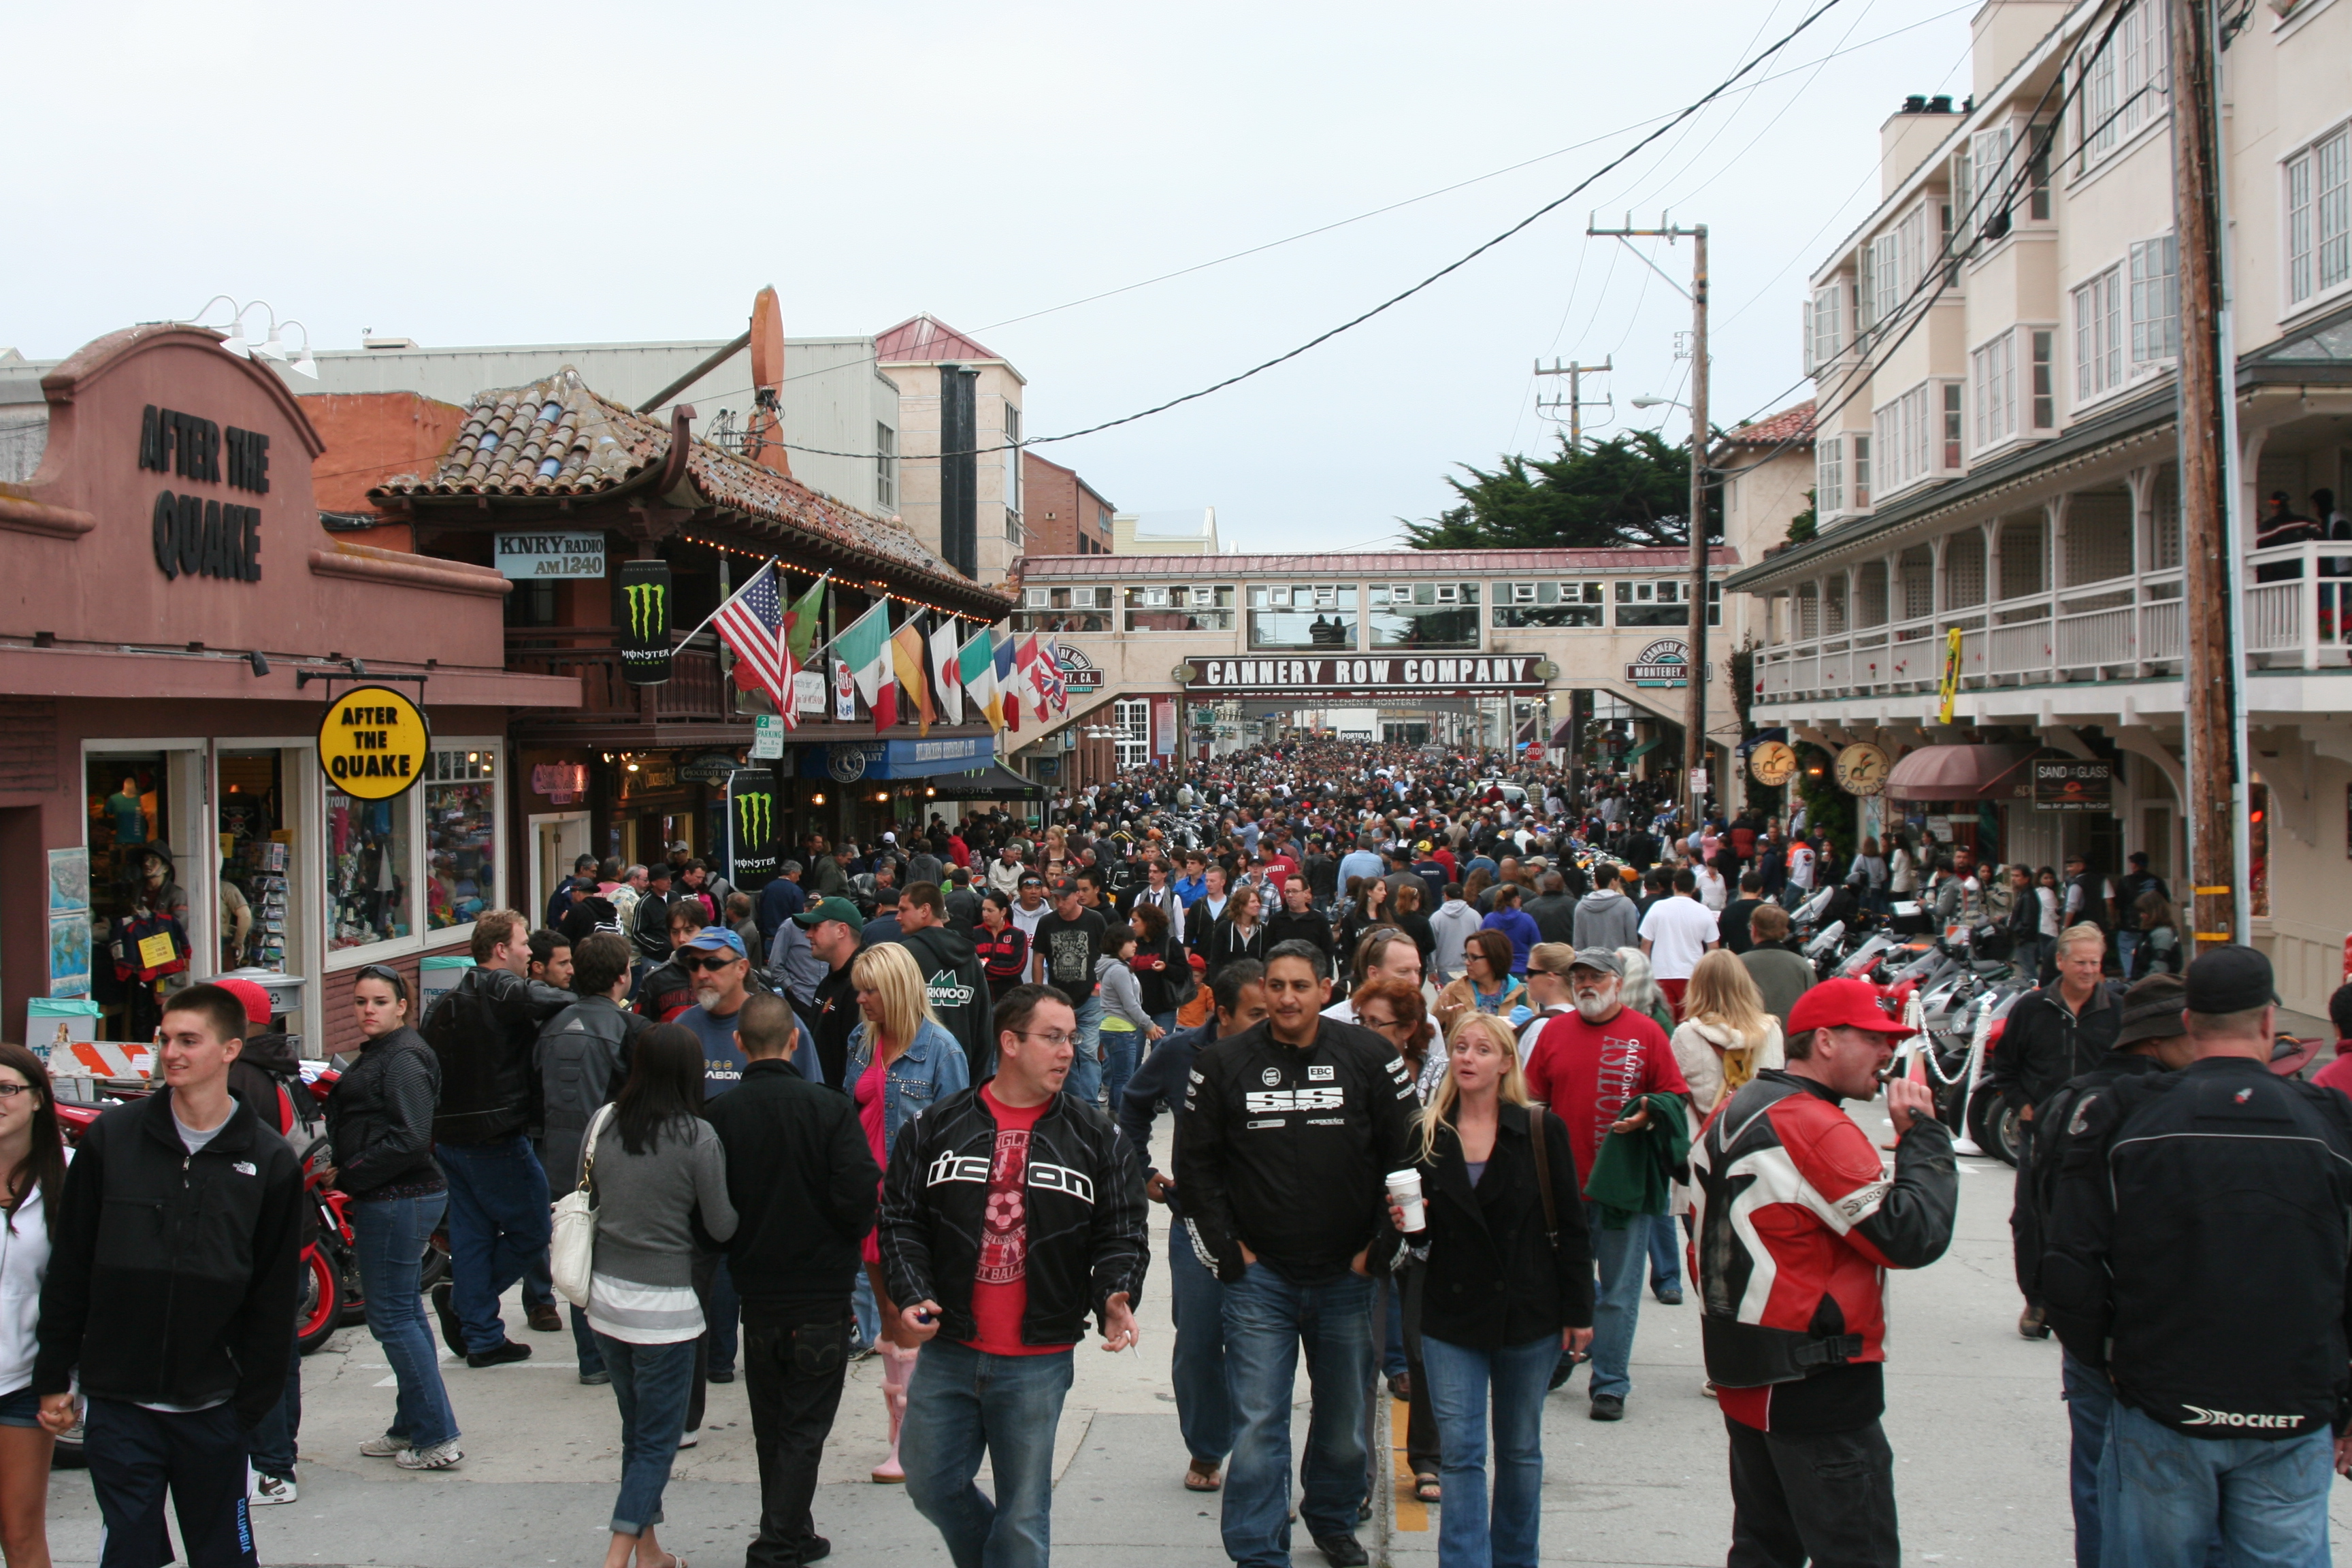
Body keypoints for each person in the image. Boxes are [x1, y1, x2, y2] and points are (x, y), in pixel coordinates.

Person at [2043, 946, 2352, 1568]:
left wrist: (2112, 1363)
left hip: (2163, 1402)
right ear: (2268, 1021)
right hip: (2290, 1409)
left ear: (2188, 1021)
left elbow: (2070, 1265)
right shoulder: (2328, 1126)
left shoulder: (2127, 1117)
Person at [34, 985, 306, 1568]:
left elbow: (275, 1294)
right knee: (129, 1555)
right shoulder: (113, 1139)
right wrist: (56, 1373)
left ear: (230, 1049)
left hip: (214, 1410)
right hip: (119, 1406)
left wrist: (249, 1407)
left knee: (225, 1557)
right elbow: (72, 1264)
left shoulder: (268, 1159)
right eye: (165, 1039)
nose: (172, 1053)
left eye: (189, 1040)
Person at [1689, 977, 1957, 1568]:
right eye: (1875, 1039)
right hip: (1815, 1383)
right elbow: (1912, 1236)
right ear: (1826, 1041)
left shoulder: (1734, 1106)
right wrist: (1925, 1136)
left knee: (1763, 1549)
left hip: (1744, 1370)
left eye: (1893, 1041)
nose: (1888, 1053)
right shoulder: (1816, 1124)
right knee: (1857, 1553)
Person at [883, 983, 1147, 1568]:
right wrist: (912, 1292)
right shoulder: (935, 1126)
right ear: (1009, 1042)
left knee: (1024, 1515)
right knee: (931, 1484)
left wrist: (1114, 1292)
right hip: (950, 1347)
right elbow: (900, 1219)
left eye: (1071, 1039)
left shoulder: (1097, 1136)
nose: (1068, 1052)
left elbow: (1123, 1229)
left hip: (1038, 1357)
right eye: (1053, 1038)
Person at [1179, 941, 1419, 1568]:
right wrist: (1229, 1252)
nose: (1287, 998)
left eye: (1300, 986)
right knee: (1259, 1422)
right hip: (1261, 1280)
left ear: (1326, 990)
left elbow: (1409, 1153)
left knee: (1343, 1422)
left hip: (1347, 1275)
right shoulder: (1222, 1062)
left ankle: (1334, 1520)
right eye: (1277, 986)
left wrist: (1381, 1248)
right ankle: (1258, 1549)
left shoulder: (1370, 1056)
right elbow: (1196, 1166)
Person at [1385, 1013, 1593, 1568]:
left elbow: (1572, 1227)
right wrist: (1408, 1223)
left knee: (1521, 1451)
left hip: (1529, 1312)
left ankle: (1516, 1559)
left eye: (1482, 1049)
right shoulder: (1427, 1132)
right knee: (1461, 1454)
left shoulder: (1541, 1130)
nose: (1468, 1057)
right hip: (1451, 1315)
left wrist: (1580, 1311)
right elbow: (1418, 1237)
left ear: (1505, 1063)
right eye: (1460, 1047)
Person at [2010, 974, 2196, 1568]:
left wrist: (2047, 1303)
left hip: (2089, 1328)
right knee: (2174, 1496)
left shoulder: (2072, 1101)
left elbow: (2032, 1216)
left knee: (2096, 1478)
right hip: (2161, 1335)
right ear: (2160, 1039)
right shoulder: (2171, 1106)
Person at [701, 992, 880, 1568]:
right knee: (804, 1424)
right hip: (821, 1294)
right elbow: (860, 1193)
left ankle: (791, 1531)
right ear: (795, 1039)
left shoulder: (720, 1116)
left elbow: (708, 1212)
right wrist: (841, 1238)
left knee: (773, 1424)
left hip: (757, 1292)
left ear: (738, 1043)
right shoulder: (829, 1109)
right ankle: (779, 1542)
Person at [578, 1024, 738, 1568]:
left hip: (605, 1302)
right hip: (666, 1311)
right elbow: (721, 1225)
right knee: (656, 1443)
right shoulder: (698, 1137)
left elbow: (586, 1192)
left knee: (636, 1432)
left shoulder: (604, 1122)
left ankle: (650, 1554)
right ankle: (617, 1556)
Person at [1520, 949, 1690, 1420]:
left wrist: (1648, 1112)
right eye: (1579, 977)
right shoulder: (1554, 1032)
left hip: (1622, 1187)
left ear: (1618, 983)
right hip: (1563, 1187)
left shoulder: (1647, 1032)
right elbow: (1532, 1099)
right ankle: (1562, 1355)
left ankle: (1610, 1384)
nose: (1586, 985)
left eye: (1596, 977)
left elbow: (1674, 1095)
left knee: (1617, 1291)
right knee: (1560, 1284)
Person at [1121, 961, 1269, 1494]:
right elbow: (1132, 1106)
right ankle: (1207, 1446)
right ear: (1222, 1013)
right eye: (1256, 1013)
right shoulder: (1180, 1052)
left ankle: (1260, 1467)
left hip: (1272, 1226)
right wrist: (1142, 1170)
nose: (1270, 1022)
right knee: (1200, 1342)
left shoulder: (1286, 1054)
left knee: (1262, 1348)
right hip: (1198, 1224)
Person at [325, 966, 468, 1477]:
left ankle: (437, 1436)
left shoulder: (403, 1056)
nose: (368, 1010)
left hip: (397, 1198)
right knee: (404, 1313)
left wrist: (352, 1173)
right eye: (361, 1001)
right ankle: (413, 1425)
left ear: (402, 1006)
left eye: (380, 1002)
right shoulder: (388, 1051)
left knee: (391, 1318)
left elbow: (411, 1137)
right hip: (395, 1195)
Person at [421, 910, 576, 1365]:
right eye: (524, 943)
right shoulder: (500, 987)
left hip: (451, 1139)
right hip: (496, 1137)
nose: (529, 952)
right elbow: (545, 998)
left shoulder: (443, 1003)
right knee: (534, 1230)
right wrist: (590, 1003)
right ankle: (468, 1307)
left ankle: (483, 1337)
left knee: (473, 1237)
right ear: (501, 949)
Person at [845, 943, 973, 1482]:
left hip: (914, 1204)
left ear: (897, 990)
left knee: (911, 1318)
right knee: (888, 1318)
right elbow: (848, 1113)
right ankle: (901, 1431)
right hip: (866, 1198)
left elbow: (961, 1139)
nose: (862, 1000)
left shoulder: (942, 1050)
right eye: (859, 990)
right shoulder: (860, 1041)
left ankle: (915, 1439)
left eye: (870, 990)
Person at [1987, 924, 2119, 1339]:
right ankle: (2037, 1299)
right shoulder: (2031, 1008)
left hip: (2096, 1136)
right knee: (2030, 1219)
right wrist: (2023, 1106)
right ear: (2060, 962)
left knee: (2091, 1219)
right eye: (2080, 962)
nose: (2088, 970)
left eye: (2095, 962)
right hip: (2041, 1134)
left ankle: (2090, 1303)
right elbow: (2005, 1066)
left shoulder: (2117, 1009)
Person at [536, 933, 650, 1386]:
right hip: (611, 1158)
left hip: (558, 1159)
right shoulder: (630, 1029)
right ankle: (614, 1352)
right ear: (622, 977)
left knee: (576, 1248)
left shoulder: (551, 1024)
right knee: (615, 1255)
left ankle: (592, 1359)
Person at [0, 1043, 64, 1568]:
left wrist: (68, 1381)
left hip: (23, 1384)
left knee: (20, 1534)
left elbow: (77, 1291)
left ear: (38, 1098)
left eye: (7, 1089)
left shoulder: (70, 1175)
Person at [883, 883, 991, 1081]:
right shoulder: (971, 958)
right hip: (963, 1076)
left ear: (925, 910)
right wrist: (975, 1084)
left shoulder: (903, 956)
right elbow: (984, 1029)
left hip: (909, 1077)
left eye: (903, 910)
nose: (897, 917)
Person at [1668, 949, 1785, 1117]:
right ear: (1745, 984)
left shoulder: (1686, 1035)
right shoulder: (1772, 1030)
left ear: (1696, 987)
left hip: (1705, 1130)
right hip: (1759, 1128)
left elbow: (1671, 1091)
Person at [1030, 878, 1110, 1107]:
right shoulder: (1047, 922)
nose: (1060, 903)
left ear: (1077, 896)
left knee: (1088, 1052)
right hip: (1059, 1000)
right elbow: (1038, 958)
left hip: (1090, 998)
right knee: (1065, 1053)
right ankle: (1073, 1103)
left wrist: (1099, 987)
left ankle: (1090, 1106)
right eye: (1056, 898)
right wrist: (1040, 993)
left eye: (1064, 898)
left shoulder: (1094, 919)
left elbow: (1108, 953)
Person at [793, 896, 867, 1090]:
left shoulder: (864, 986)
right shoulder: (829, 982)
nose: (808, 935)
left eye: (816, 927)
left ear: (841, 930)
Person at [1638, 869, 1720, 1019]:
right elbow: (1714, 948)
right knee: (1689, 1022)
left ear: (1674, 885)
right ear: (1694, 888)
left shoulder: (1657, 908)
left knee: (1666, 1022)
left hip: (1662, 973)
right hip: (1692, 975)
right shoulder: (1704, 911)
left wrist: (1645, 972)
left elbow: (1646, 943)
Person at [1095, 926, 1161, 1111]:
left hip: (1117, 1028)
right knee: (1124, 1079)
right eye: (1130, 941)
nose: (1135, 945)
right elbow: (1130, 1004)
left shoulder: (1117, 967)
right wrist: (1148, 1024)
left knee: (1119, 1078)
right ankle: (1123, 1119)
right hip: (1120, 1030)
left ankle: (1116, 1117)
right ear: (1118, 943)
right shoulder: (1118, 970)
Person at [1433, 930, 1526, 1042]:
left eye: (1474, 957)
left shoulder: (1520, 994)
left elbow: (1533, 1041)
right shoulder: (1454, 990)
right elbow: (1428, 1033)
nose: (1467, 962)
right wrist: (1440, 1016)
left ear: (1495, 959)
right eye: (1466, 956)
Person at [1736, 904, 1814, 1032]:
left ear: (1754, 930)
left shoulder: (1737, 964)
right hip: (1793, 1038)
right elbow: (1812, 1008)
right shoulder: (1802, 966)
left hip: (1750, 1037)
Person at [1514, 943, 1578, 1063]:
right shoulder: (1582, 1019)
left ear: (1550, 978)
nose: (1526, 978)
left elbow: (1527, 1073)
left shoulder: (1541, 1027)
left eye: (1531, 972)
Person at [975, 891, 1031, 1015]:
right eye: (984, 910)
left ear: (1003, 912)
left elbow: (1016, 969)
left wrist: (985, 963)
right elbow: (972, 967)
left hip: (1011, 1001)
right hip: (982, 1000)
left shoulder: (1018, 935)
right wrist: (1001, 970)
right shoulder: (975, 934)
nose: (985, 914)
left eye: (990, 911)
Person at [1204, 883, 1269, 988]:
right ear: (1241, 906)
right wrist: (1216, 985)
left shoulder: (1262, 930)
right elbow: (1215, 960)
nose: (1258, 905)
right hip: (1229, 985)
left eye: (1258, 901)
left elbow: (1265, 960)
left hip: (1254, 985)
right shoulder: (1224, 928)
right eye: (1253, 902)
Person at [1572, 869, 1639, 955]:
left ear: (1596, 881)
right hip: (1618, 960)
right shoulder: (1626, 904)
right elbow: (1632, 940)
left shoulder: (1581, 906)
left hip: (1589, 960)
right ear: (1613, 881)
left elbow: (1578, 943)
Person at [1480, 885, 1539, 977]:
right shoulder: (1527, 919)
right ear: (1515, 899)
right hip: (1522, 969)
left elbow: (1481, 944)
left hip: (1496, 969)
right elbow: (1537, 946)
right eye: (1520, 898)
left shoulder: (1489, 919)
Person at [1428, 883, 1482, 983]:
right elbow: (1482, 941)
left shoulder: (1436, 918)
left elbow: (1432, 946)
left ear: (1446, 896)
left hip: (1445, 968)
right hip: (1470, 966)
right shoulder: (1475, 916)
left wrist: (1431, 969)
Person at [2127, 892, 2181, 980]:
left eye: (2144, 912)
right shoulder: (2154, 933)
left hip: (2152, 984)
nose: (2141, 916)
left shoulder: (2162, 935)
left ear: (2153, 913)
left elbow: (2159, 969)